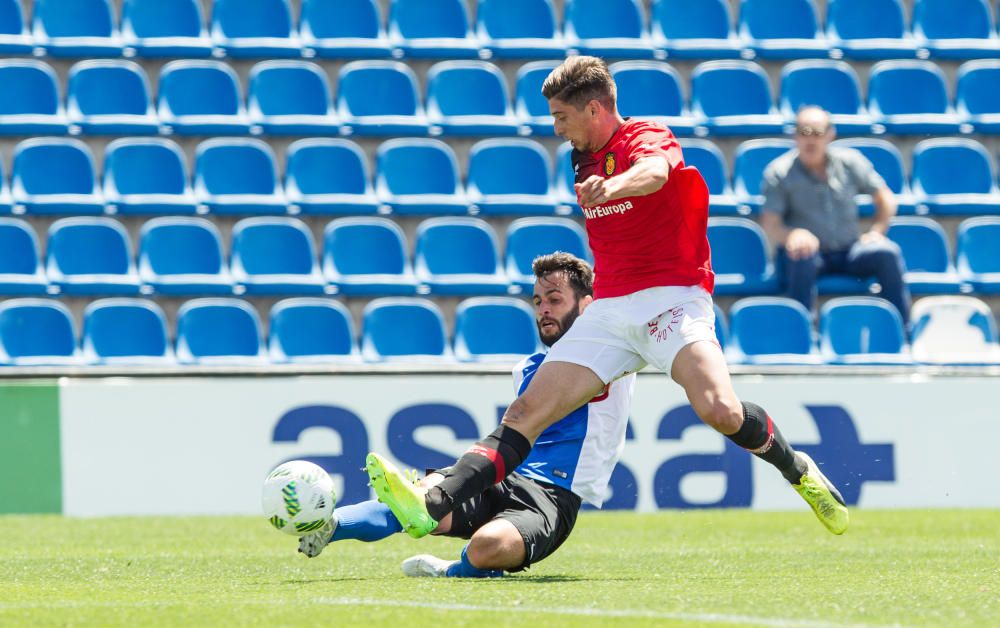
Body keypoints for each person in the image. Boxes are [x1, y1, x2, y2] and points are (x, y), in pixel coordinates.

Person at [365, 56, 849, 543]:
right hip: (611, 308)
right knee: (524, 413)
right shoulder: (581, 154)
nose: (556, 129)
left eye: (561, 117)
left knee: (718, 409)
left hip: (672, 299)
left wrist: (613, 185)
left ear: (594, 109)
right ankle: (437, 498)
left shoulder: (645, 135)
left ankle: (797, 468)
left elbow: (657, 172)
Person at [299, 252, 636, 577]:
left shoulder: (614, 355)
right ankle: (332, 526)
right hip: (504, 475)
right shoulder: (528, 368)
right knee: (417, 501)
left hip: (553, 497)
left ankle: (454, 568)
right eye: (537, 302)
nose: (543, 310)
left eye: (554, 299)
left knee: (487, 546)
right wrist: (326, 524)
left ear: (588, 305)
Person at [760, 105, 910, 324]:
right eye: (804, 132)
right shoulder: (779, 172)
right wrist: (792, 235)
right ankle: (801, 331)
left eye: (818, 133)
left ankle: (900, 328)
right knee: (802, 255)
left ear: (830, 134)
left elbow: (885, 198)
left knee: (887, 252)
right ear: (795, 135)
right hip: (810, 254)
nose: (811, 140)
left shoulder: (850, 162)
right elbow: (770, 222)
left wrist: (877, 231)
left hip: (850, 251)